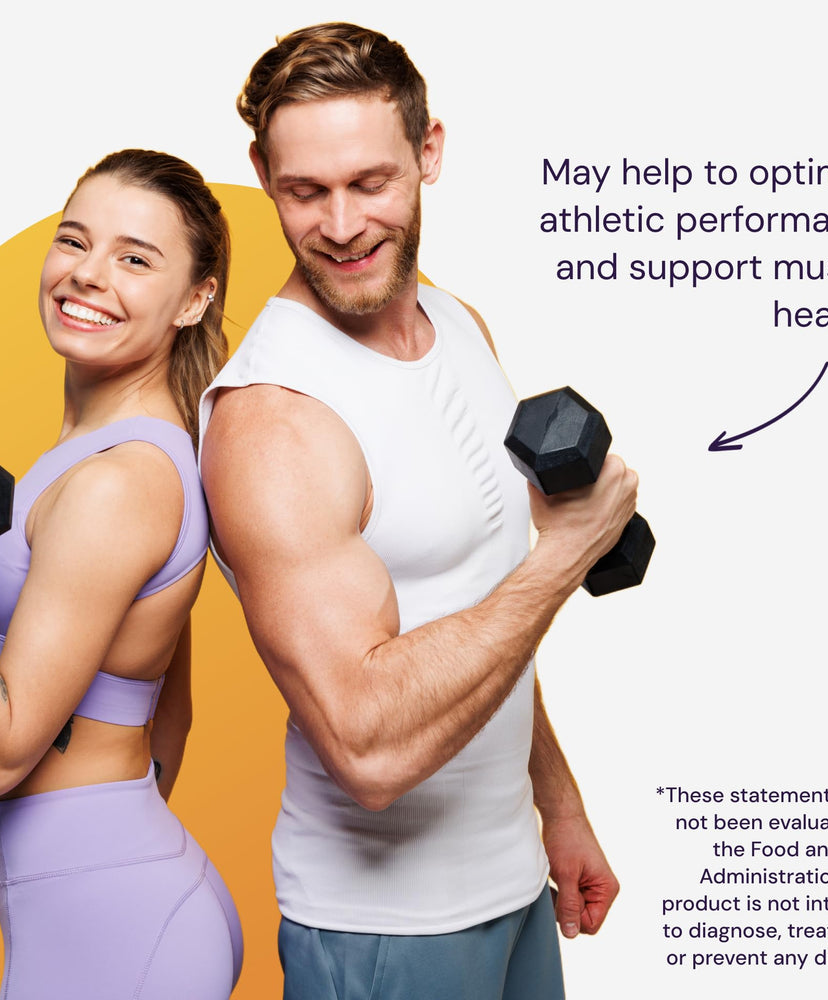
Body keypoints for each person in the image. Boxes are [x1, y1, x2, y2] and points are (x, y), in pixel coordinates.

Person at [199, 23, 638, 1000]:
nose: (343, 224)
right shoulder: (276, 423)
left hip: (511, 885)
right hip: (385, 936)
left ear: (428, 152)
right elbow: (367, 749)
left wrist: (552, 803)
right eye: (305, 191)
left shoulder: (458, 327)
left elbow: (477, 612)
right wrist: (563, 556)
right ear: (263, 173)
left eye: (371, 181)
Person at [0, 149, 243, 999]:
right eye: (75, 241)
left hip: (113, 924)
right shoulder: (98, 455)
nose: (87, 275)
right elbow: (169, 711)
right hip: (103, 906)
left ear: (195, 298)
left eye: (134, 258)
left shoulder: (120, 483)